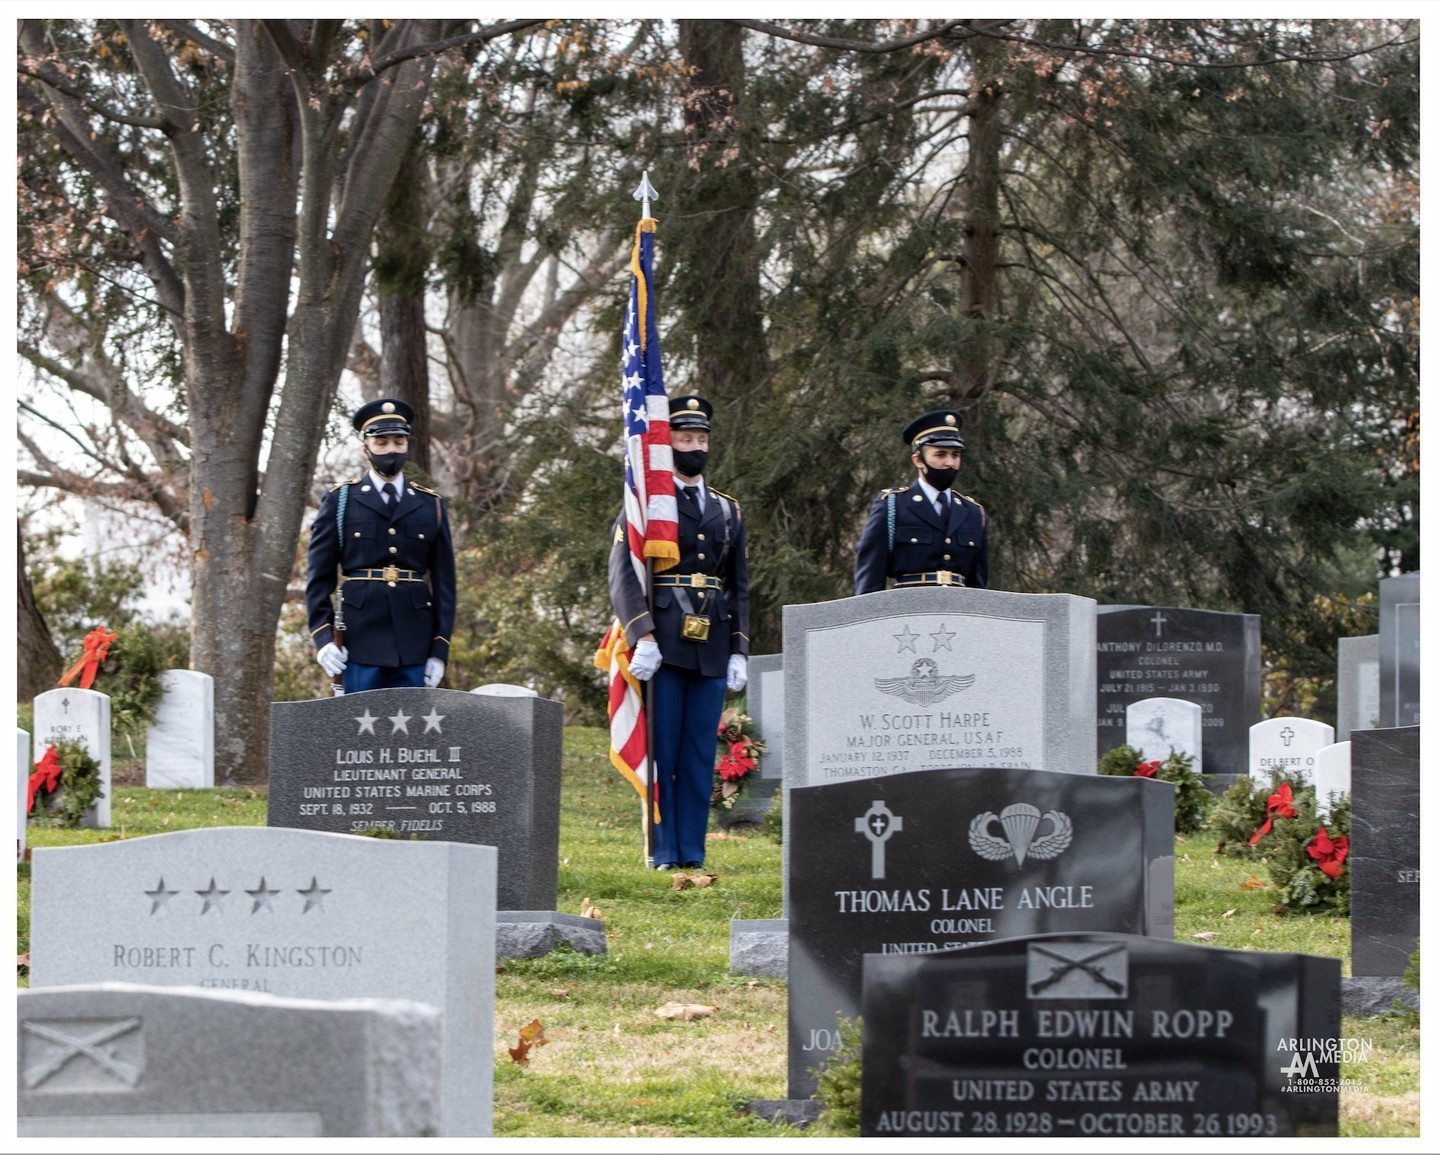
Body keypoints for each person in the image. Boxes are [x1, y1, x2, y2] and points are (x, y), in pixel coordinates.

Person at [609, 394, 750, 871]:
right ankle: (662, 848)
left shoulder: (728, 510)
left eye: (700, 438)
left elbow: (739, 586)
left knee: (696, 755)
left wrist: (740, 649)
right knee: (663, 750)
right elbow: (623, 574)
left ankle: (692, 849)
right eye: (684, 438)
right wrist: (641, 634)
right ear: (666, 446)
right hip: (663, 640)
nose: (694, 446)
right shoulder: (647, 505)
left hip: (711, 639)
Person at [306, 398, 457, 694]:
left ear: (407, 445)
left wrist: (440, 650)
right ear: (366, 449)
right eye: (382, 442)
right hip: (359, 640)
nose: (391, 450)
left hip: (414, 640)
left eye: (398, 442)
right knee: (356, 734)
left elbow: (445, 585)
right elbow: (318, 578)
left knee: (415, 735)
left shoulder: (430, 504)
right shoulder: (340, 501)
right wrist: (323, 640)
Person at [854, 408, 988, 594]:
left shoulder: (973, 512)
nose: (950, 462)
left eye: (955, 455)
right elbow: (870, 576)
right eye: (940, 455)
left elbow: (979, 585)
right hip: (907, 612)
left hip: (958, 615)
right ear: (918, 460)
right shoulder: (892, 506)